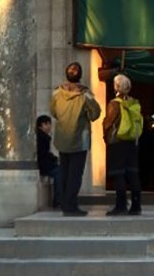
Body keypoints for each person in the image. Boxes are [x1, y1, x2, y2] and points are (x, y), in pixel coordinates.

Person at [50, 62, 101, 217]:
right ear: (80, 75)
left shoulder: (56, 93)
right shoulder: (85, 95)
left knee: (64, 172)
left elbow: (53, 112)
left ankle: (65, 204)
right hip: (80, 139)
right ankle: (71, 206)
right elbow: (95, 114)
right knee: (75, 175)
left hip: (62, 139)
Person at [102, 73, 143, 216]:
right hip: (132, 142)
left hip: (118, 142)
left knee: (118, 173)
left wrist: (105, 136)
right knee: (133, 173)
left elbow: (109, 122)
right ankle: (136, 206)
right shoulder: (135, 102)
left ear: (117, 87)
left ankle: (121, 206)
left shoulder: (115, 103)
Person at [36, 114, 61, 208]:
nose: (50, 126)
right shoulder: (42, 137)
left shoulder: (42, 136)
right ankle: (58, 200)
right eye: (48, 124)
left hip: (45, 163)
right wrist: (54, 160)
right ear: (42, 125)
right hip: (44, 165)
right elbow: (43, 154)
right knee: (59, 173)